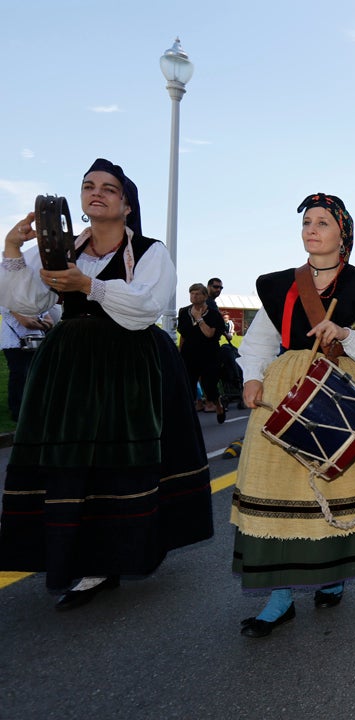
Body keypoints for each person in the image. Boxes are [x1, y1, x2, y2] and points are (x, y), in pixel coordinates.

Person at [0, 158, 213, 610]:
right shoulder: (58, 250)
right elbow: (26, 301)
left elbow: (144, 306)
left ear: (127, 205)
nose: (97, 193)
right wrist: (14, 249)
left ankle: (108, 559)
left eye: (109, 189)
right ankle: (75, 554)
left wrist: (89, 287)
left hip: (129, 363)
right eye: (88, 186)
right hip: (70, 366)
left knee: (120, 461)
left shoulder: (151, 252)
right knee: (72, 462)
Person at [231, 192, 355, 638]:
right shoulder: (280, 286)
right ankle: (280, 596)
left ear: (343, 235)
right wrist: (252, 377)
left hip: (342, 394)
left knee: (334, 485)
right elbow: (257, 341)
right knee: (276, 489)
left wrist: (345, 334)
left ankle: (331, 574)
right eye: (307, 222)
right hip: (288, 389)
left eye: (322, 223)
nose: (312, 228)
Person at [177, 282, 228, 423]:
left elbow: (209, 333)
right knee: (188, 385)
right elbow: (183, 335)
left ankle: (218, 404)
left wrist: (199, 319)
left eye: (197, 293)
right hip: (189, 355)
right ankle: (189, 415)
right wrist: (180, 353)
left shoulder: (213, 315)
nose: (193, 296)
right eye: (191, 293)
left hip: (209, 355)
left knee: (209, 386)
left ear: (205, 296)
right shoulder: (183, 312)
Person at [0, 305, 58, 421]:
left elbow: (51, 322)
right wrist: (41, 322)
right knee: (19, 375)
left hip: (35, 342)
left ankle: (32, 406)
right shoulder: (8, 301)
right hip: (15, 342)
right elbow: (26, 323)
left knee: (34, 375)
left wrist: (36, 321)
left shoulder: (36, 302)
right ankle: (17, 409)